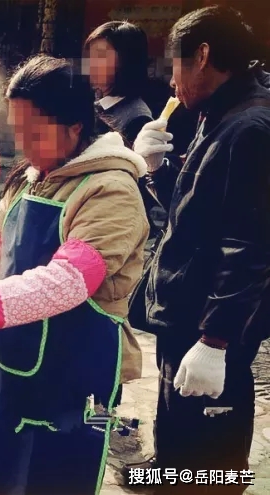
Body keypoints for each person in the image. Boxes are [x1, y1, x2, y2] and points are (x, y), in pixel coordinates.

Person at [0, 54, 148, 494]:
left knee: (56, 476)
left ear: (74, 127)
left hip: (76, 371)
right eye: (18, 131)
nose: (23, 145)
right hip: (15, 359)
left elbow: (68, 280)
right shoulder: (34, 178)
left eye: (35, 133)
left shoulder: (111, 190)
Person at [122, 7, 270, 493]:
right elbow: (198, 214)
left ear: (203, 55)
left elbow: (248, 245)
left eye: (175, 65)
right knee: (179, 419)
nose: (171, 83)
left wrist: (216, 342)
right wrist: (156, 171)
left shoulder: (251, 128)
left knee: (212, 436)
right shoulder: (217, 115)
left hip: (212, 320)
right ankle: (169, 473)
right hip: (187, 311)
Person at [85, 21, 154, 145]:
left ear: (127, 60)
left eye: (100, 55)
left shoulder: (137, 118)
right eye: (90, 55)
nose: (91, 63)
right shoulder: (92, 101)